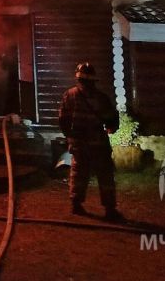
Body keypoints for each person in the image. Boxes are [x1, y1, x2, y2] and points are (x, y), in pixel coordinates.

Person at [58, 62, 123, 221]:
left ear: (78, 78)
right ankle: (109, 209)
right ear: (93, 80)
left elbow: (62, 120)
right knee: (105, 175)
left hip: (78, 143)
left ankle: (76, 204)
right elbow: (112, 120)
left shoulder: (69, 95)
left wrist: (70, 137)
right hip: (98, 143)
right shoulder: (101, 98)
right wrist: (111, 128)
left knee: (78, 172)